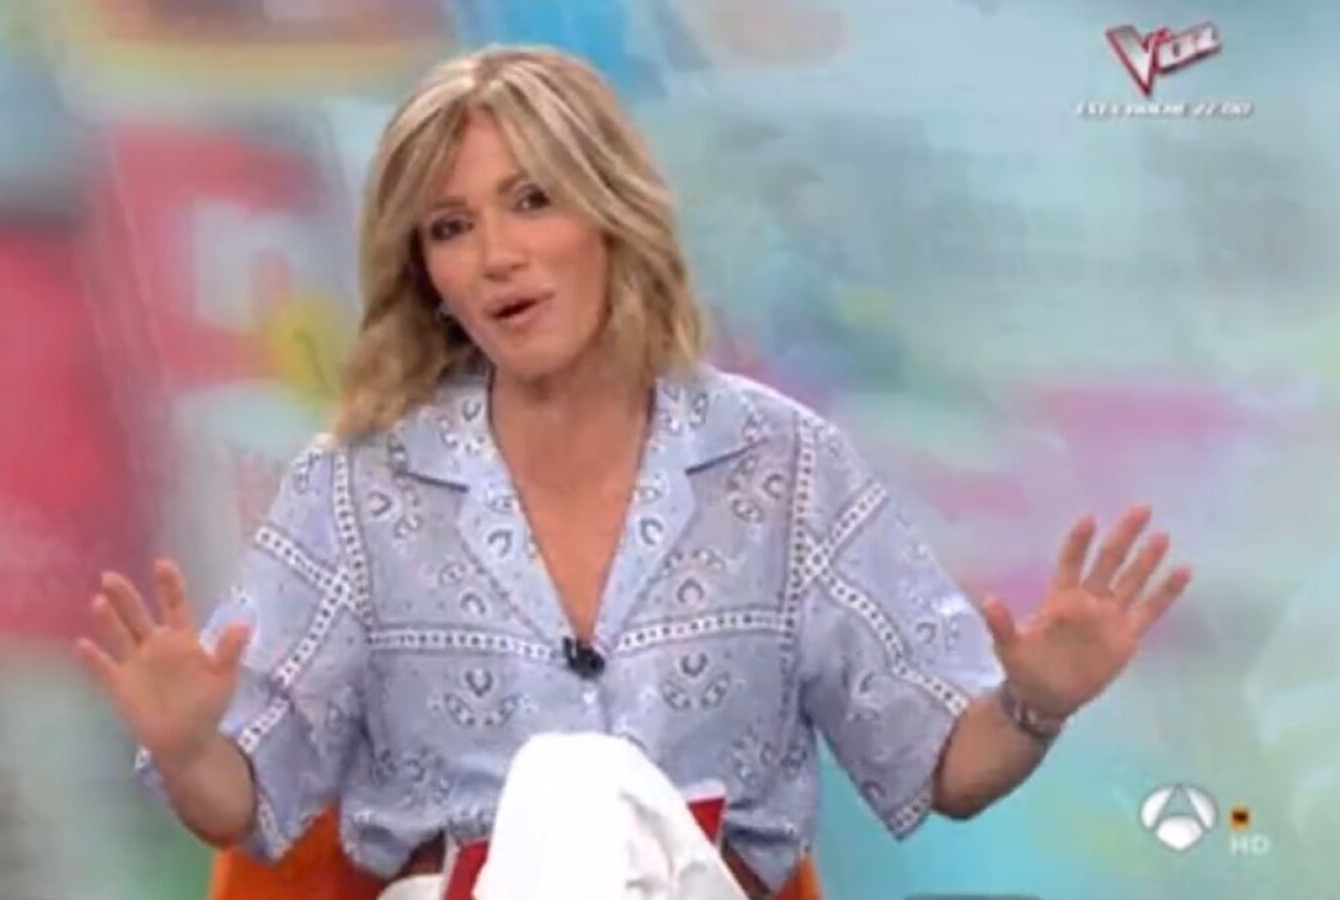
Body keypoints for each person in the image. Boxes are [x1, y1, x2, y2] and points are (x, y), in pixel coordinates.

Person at [74, 45, 1192, 898]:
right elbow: (243, 801)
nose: (497, 255)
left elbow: (944, 765)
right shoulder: (359, 489)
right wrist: (186, 746)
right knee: (569, 789)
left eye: (532, 201)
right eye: (451, 227)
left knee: (585, 790)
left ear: (611, 211)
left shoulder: (784, 467)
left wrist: (1034, 705)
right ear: (428, 276)